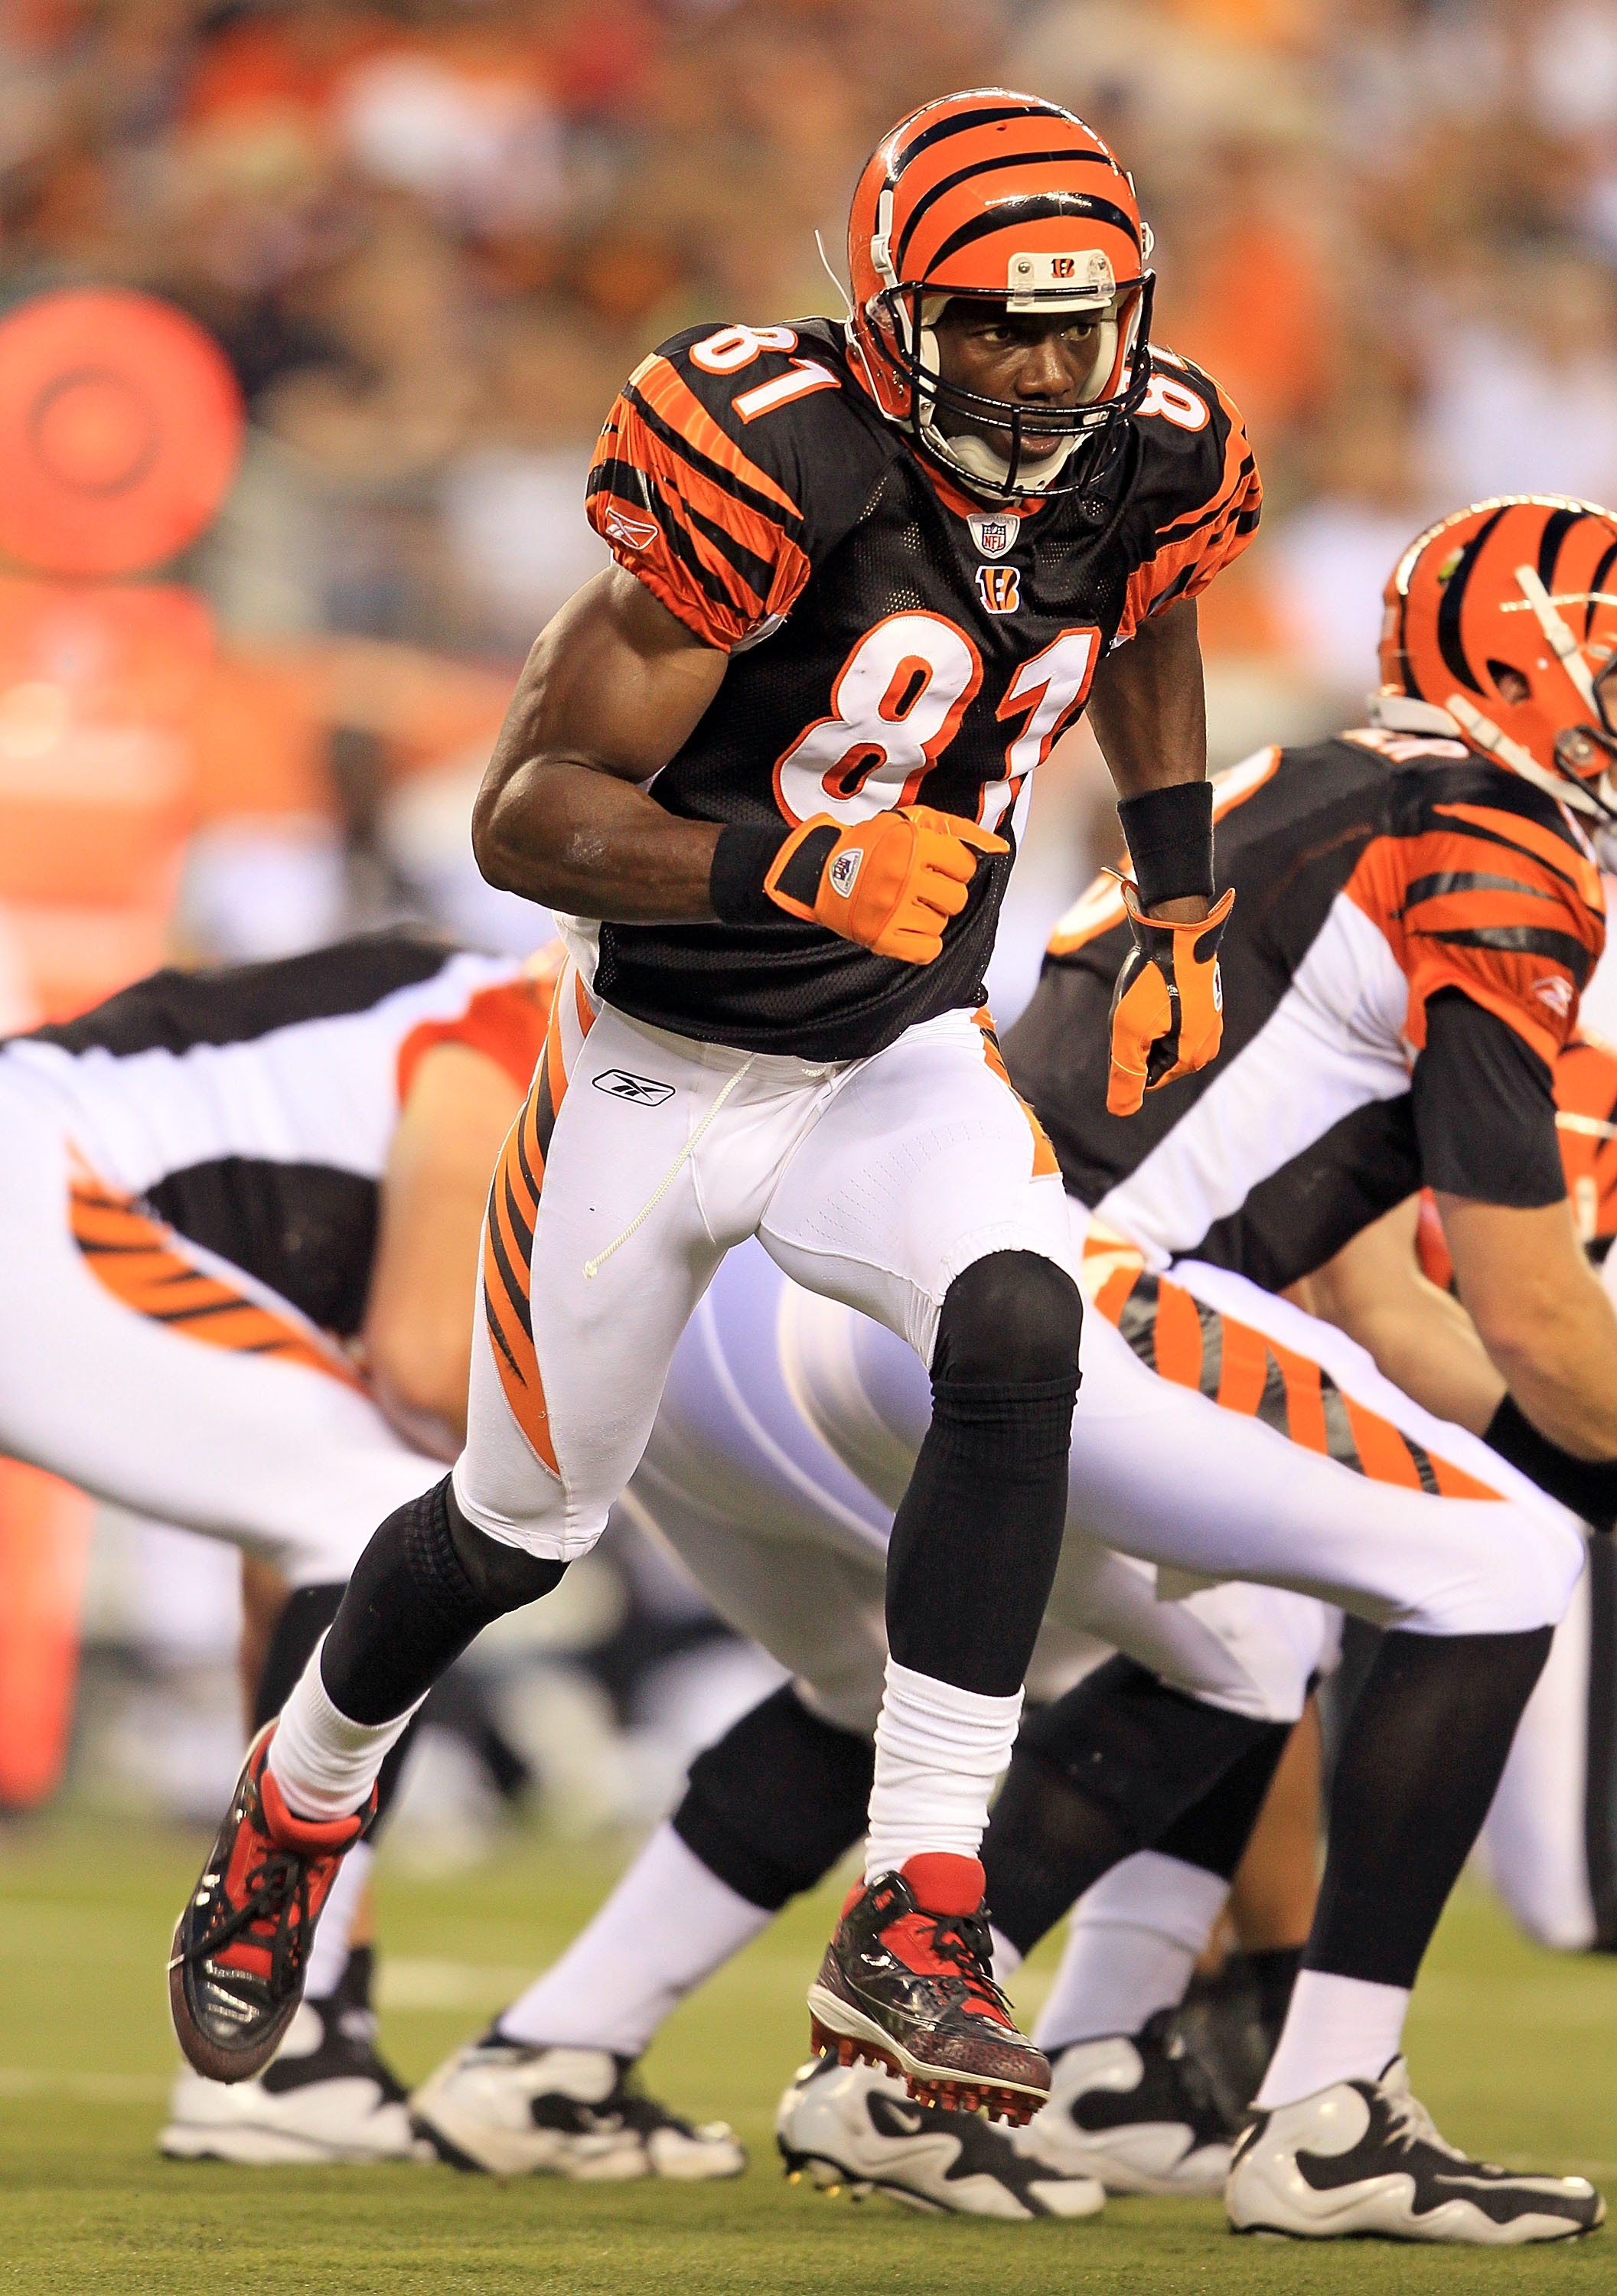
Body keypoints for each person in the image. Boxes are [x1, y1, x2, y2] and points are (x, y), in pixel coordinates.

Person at [171, 88, 1262, 2128]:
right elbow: (525, 818)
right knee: (514, 1529)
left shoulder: (1155, 444)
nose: (1046, 372)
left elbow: (1149, 617)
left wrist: (1182, 888)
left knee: (1017, 1325)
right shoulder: (773, 450)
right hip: (656, 1059)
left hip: (895, 1058)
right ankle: (296, 1802)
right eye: (997, 325)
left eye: (1079, 325)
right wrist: (796, 861)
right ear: (893, 312)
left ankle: (919, 1903)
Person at [413, 495, 1617, 2243]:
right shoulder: (1488, 844)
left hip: (879, 1290)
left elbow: (1380, 1303)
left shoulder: (1337, 798)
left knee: (1240, 1638)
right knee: (1494, 1562)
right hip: (1051, 1284)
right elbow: (1529, 1310)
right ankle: (1328, 2114)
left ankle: (966, 2065)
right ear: (1521, 673)